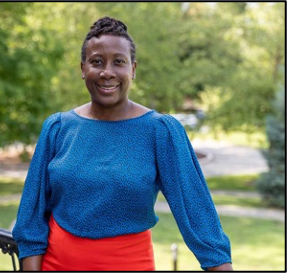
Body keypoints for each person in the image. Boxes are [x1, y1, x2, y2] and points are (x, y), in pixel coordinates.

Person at [12, 16, 233, 271]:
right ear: (83, 68)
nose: (107, 72)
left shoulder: (161, 131)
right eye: (97, 62)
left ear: (133, 69)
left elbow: (198, 215)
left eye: (119, 62)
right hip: (57, 264)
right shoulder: (58, 128)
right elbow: (31, 216)